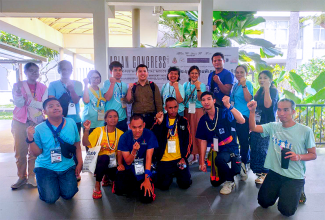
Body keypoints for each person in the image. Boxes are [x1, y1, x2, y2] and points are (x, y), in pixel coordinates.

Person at [247, 98, 317, 217]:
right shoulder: (273, 126)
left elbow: (313, 154)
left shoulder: (305, 131)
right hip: (275, 173)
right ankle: (283, 191)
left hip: (294, 176)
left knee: (286, 211)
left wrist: (298, 156)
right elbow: (253, 128)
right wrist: (252, 111)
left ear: (293, 111)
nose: (281, 113)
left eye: (286, 110)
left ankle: (298, 190)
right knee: (263, 202)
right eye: (279, 110)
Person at [27, 98, 83, 204]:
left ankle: (57, 184)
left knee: (68, 195)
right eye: (51, 106)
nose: (56, 107)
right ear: (44, 112)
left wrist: (79, 162)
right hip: (46, 167)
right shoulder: (39, 129)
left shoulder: (71, 123)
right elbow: (36, 153)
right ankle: (45, 183)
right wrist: (30, 139)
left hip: (67, 166)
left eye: (58, 105)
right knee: (50, 198)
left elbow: (77, 145)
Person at [196, 92, 245, 195]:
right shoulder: (203, 120)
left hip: (230, 147)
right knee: (215, 183)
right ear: (201, 103)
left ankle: (230, 181)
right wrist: (202, 161)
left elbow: (242, 120)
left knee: (220, 160)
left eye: (209, 99)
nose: (206, 102)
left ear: (214, 100)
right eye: (203, 100)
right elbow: (203, 141)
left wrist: (229, 106)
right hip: (217, 150)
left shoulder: (224, 113)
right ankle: (235, 169)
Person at [11, 62, 48, 189]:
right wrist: (20, 95)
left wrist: (30, 101)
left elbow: (44, 105)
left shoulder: (43, 87)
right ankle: (21, 177)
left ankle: (32, 176)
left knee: (33, 150)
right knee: (20, 150)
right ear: (25, 72)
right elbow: (20, 104)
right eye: (31, 71)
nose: (34, 73)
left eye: (36, 71)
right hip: (20, 121)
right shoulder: (18, 85)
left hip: (36, 121)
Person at [114, 114, 158, 203]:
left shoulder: (149, 135)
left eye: (140, 127)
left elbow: (149, 157)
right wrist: (134, 151)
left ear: (144, 125)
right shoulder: (124, 137)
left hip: (144, 168)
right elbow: (128, 161)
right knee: (120, 190)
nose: (137, 130)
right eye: (134, 127)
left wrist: (147, 179)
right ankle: (133, 185)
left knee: (147, 199)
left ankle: (149, 182)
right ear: (129, 126)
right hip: (129, 168)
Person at [151, 97, 192, 190]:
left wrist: (184, 158)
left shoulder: (183, 121)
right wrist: (159, 124)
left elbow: (189, 141)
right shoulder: (161, 119)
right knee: (163, 186)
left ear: (178, 107)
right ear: (165, 108)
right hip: (165, 160)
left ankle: (181, 174)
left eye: (175, 107)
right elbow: (153, 136)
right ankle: (162, 173)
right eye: (170, 108)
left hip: (179, 159)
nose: (173, 110)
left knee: (185, 184)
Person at [82, 110, 124, 199]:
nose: (113, 119)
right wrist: (86, 130)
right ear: (105, 119)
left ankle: (106, 176)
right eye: (110, 117)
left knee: (120, 186)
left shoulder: (121, 133)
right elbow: (85, 143)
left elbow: (121, 152)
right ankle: (97, 184)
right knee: (104, 158)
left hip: (113, 163)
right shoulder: (98, 131)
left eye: (115, 116)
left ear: (118, 119)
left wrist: (120, 164)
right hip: (99, 162)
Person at [250, 70, 279, 184]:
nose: (262, 80)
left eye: (265, 78)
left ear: (270, 80)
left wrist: (267, 88)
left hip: (267, 124)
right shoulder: (259, 91)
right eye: (260, 77)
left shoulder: (273, 90)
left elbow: (268, 105)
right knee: (256, 148)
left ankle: (266, 173)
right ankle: (259, 173)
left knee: (263, 149)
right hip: (257, 123)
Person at [230, 65, 253, 181]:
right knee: (234, 140)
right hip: (233, 116)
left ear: (246, 74)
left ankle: (244, 164)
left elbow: (249, 99)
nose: (239, 74)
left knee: (243, 141)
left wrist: (244, 85)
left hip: (243, 116)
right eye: (237, 72)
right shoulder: (235, 85)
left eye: (242, 72)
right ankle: (236, 163)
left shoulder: (247, 84)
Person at [48, 60, 83, 133]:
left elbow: (76, 101)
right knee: (59, 143)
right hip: (58, 119)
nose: (67, 71)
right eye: (64, 69)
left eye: (69, 69)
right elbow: (51, 101)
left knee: (75, 142)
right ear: (59, 70)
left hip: (74, 120)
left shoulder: (78, 84)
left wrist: (71, 89)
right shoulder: (53, 85)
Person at [126, 64, 163, 129]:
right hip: (137, 118)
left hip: (151, 118)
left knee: (151, 137)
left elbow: (158, 103)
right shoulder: (133, 86)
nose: (142, 73)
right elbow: (129, 101)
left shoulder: (153, 86)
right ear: (136, 73)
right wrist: (129, 89)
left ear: (147, 73)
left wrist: (160, 116)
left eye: (144, 71)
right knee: (138, 138)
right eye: (140, 71)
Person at [183, 66, 206, 165]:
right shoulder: (185, 85)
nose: (194, 75)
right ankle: (194, 156)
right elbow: (183, 97)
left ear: (199, 75)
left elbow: (201, 99)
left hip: (198, 111)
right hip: (188, 111)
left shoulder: (202, 85)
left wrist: (197, 88)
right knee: (189, 133)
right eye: (192, 73)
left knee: (199, 133)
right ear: (189, 74)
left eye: (196, 73)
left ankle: (201, 158)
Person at [103, 61, 128, 132]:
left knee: (122, 141)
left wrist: (126, 116)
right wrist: (112, 83)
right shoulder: (107, 83)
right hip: (110, 119)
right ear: (111, 72)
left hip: (122, 118)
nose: (118, 72)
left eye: (120, 70)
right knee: (110, 141)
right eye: (115, 70)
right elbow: (107, 97)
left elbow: (124, 101)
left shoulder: (124, 85)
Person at [81, 70, 106, 140]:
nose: (96, 80)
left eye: (97, 77)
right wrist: (85, 85)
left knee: (100, 145)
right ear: (89, 79)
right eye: (93, 78)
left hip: (100, 122)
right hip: (89, 122)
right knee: (89, 146)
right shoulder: (86, 90)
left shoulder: (102, 90)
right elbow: (86, 101)